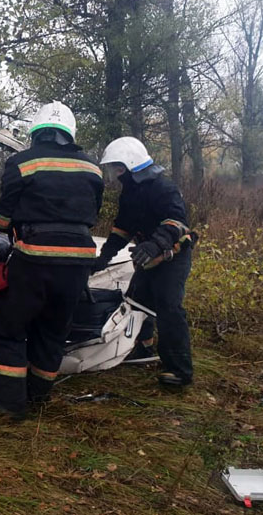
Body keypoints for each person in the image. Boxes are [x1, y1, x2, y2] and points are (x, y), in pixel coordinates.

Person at [0, 101, 104, 419]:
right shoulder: (93, 168)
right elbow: (93, 212)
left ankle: (9, 406)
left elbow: (0, 218)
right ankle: (38, 399)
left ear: (37, 132)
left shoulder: (22, 162)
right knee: (52, 332)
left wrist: (6, 225)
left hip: (34, 260)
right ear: (70, 133)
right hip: (78, 263)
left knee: (8, 329)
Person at [93, 136, 194, 387]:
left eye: (115, 167)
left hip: (172, 256)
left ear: (127, 166)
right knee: (136, 301)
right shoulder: (131, 192)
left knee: (169, 308)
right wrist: (105, 256)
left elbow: (176, 222)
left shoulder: (163, 188)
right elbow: (123, 227)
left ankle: (180, 371)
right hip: (148, 256)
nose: (113, 173)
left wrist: (155, 243)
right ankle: (143, 348)